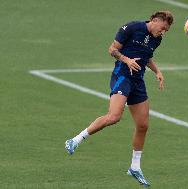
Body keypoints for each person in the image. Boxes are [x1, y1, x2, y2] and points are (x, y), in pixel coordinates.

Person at [65, 11, 174, 187]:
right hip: (122, 76)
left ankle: (135, 167)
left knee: (143, 125)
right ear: (155, 21)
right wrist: (126, 60)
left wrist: (158, 71)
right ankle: (76, 139)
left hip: (138, 81)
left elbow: (147, 57)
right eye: (163, 28)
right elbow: (112, 49)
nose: (163, 33)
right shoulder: (132, 27)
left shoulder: (157, 39)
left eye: (166, 30)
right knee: (114, 116)